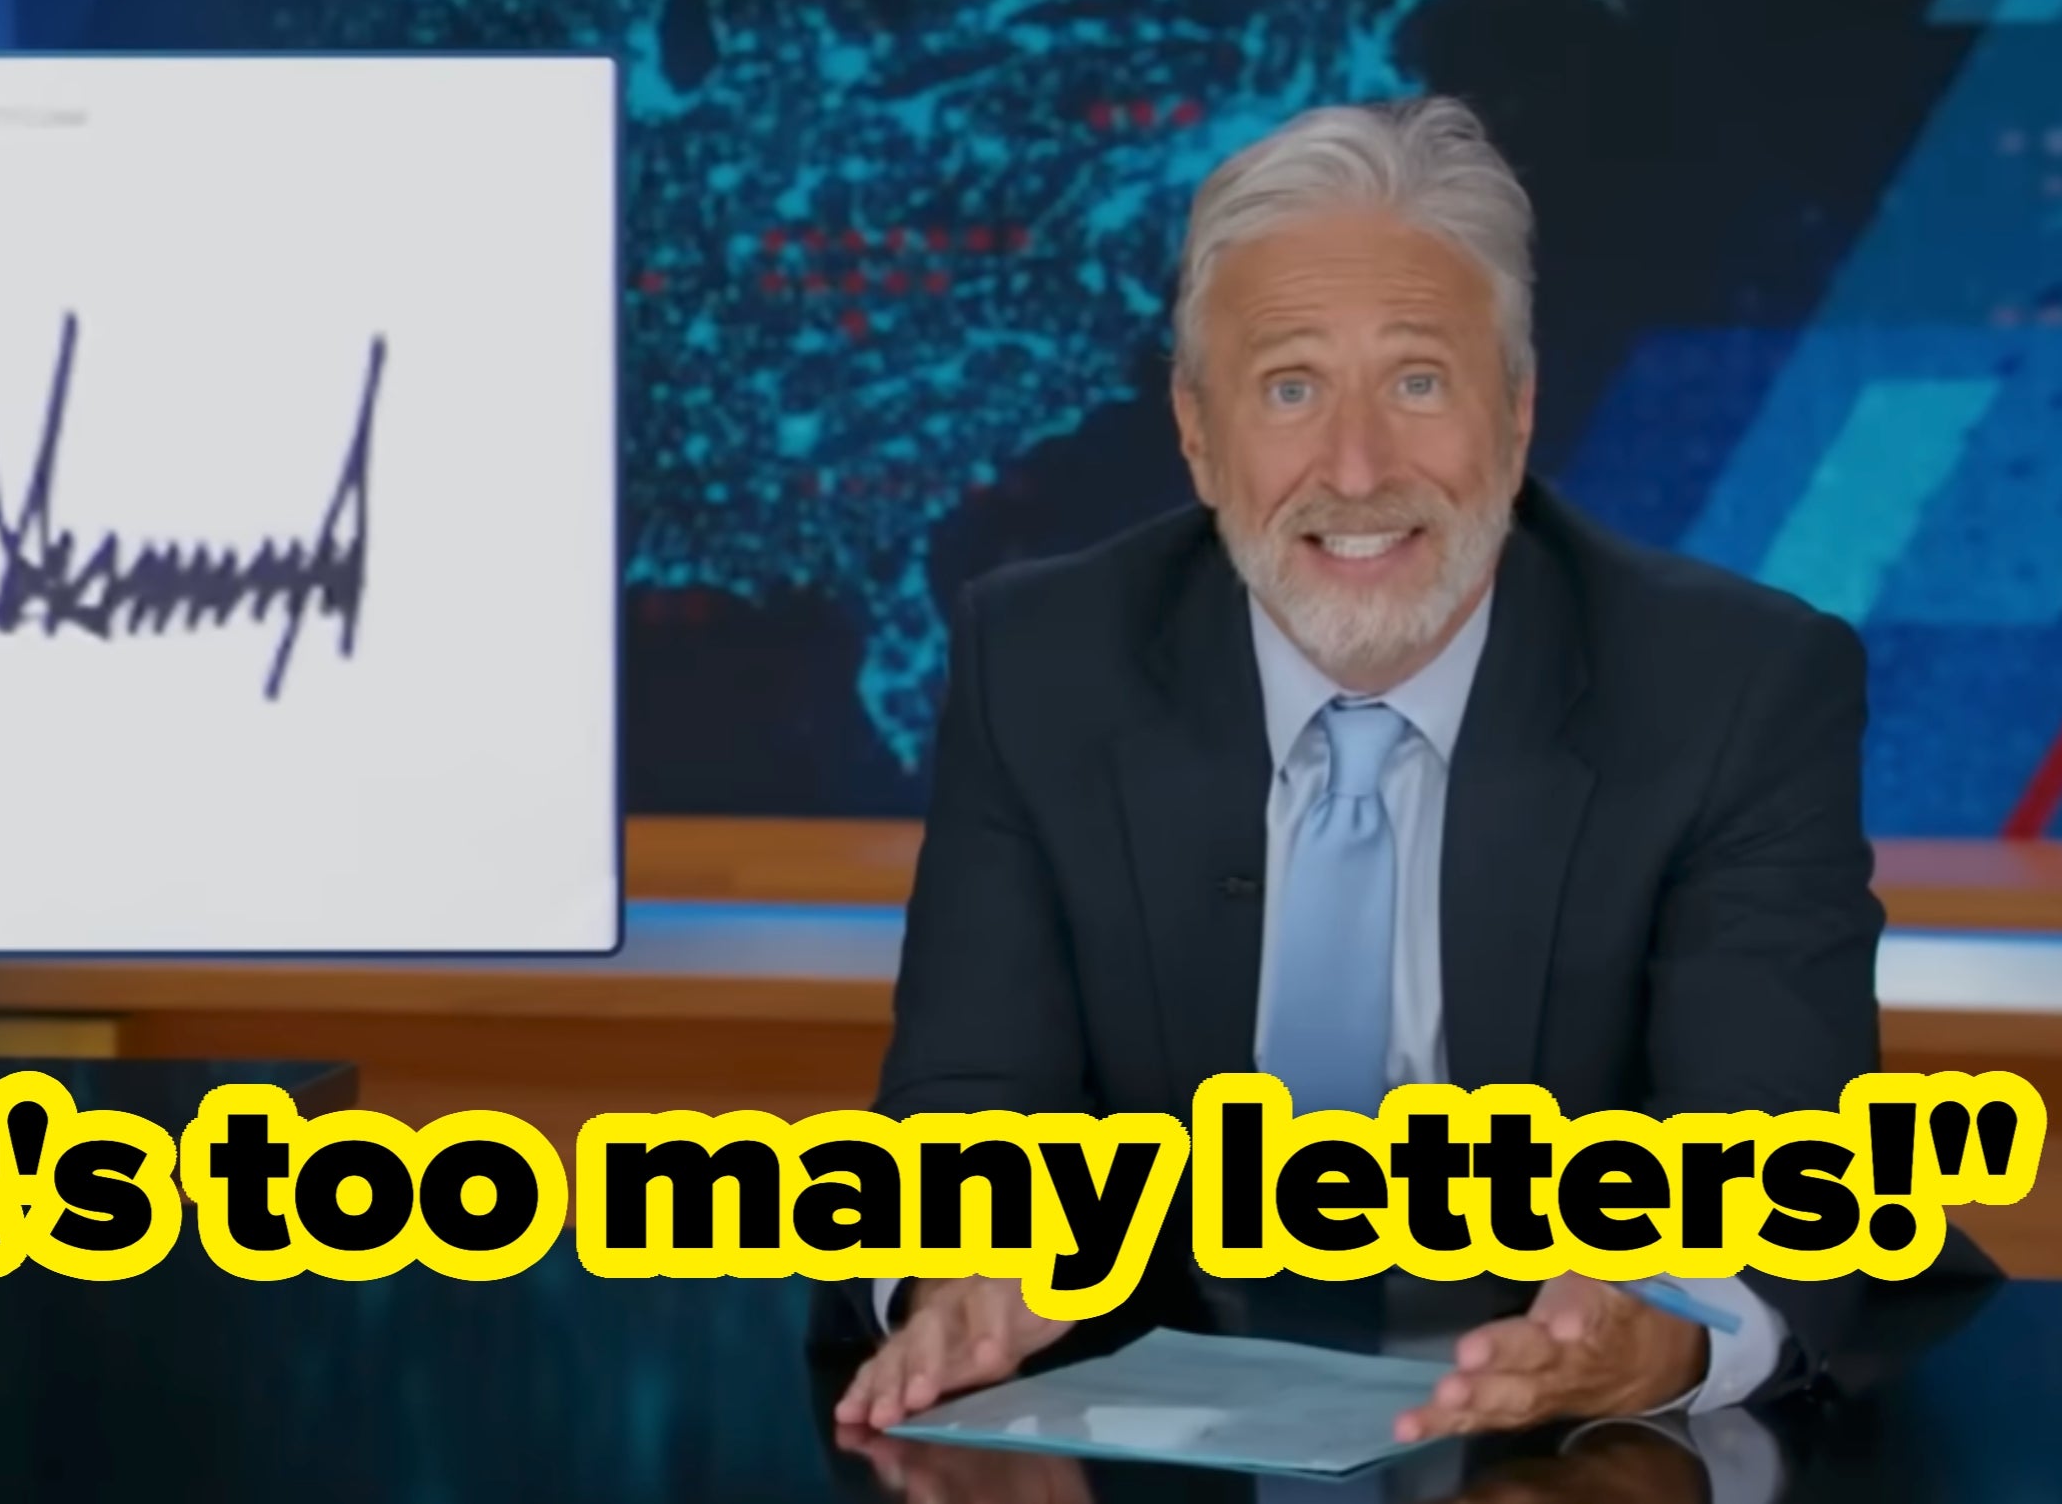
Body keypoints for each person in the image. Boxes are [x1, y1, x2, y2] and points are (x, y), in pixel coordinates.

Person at [825, 96, 1990, 1441]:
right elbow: (971, 1097)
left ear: (1519, 410)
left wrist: (1664, 1327)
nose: (1359, 466)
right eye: (1291, 388)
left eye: (1420, 381)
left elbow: (1773, 1147)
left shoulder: (1736, 687)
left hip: (1570, 1439)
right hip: (1154, 1428)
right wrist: (962, 1267)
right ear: (1197, 432)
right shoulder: (1042, 661)